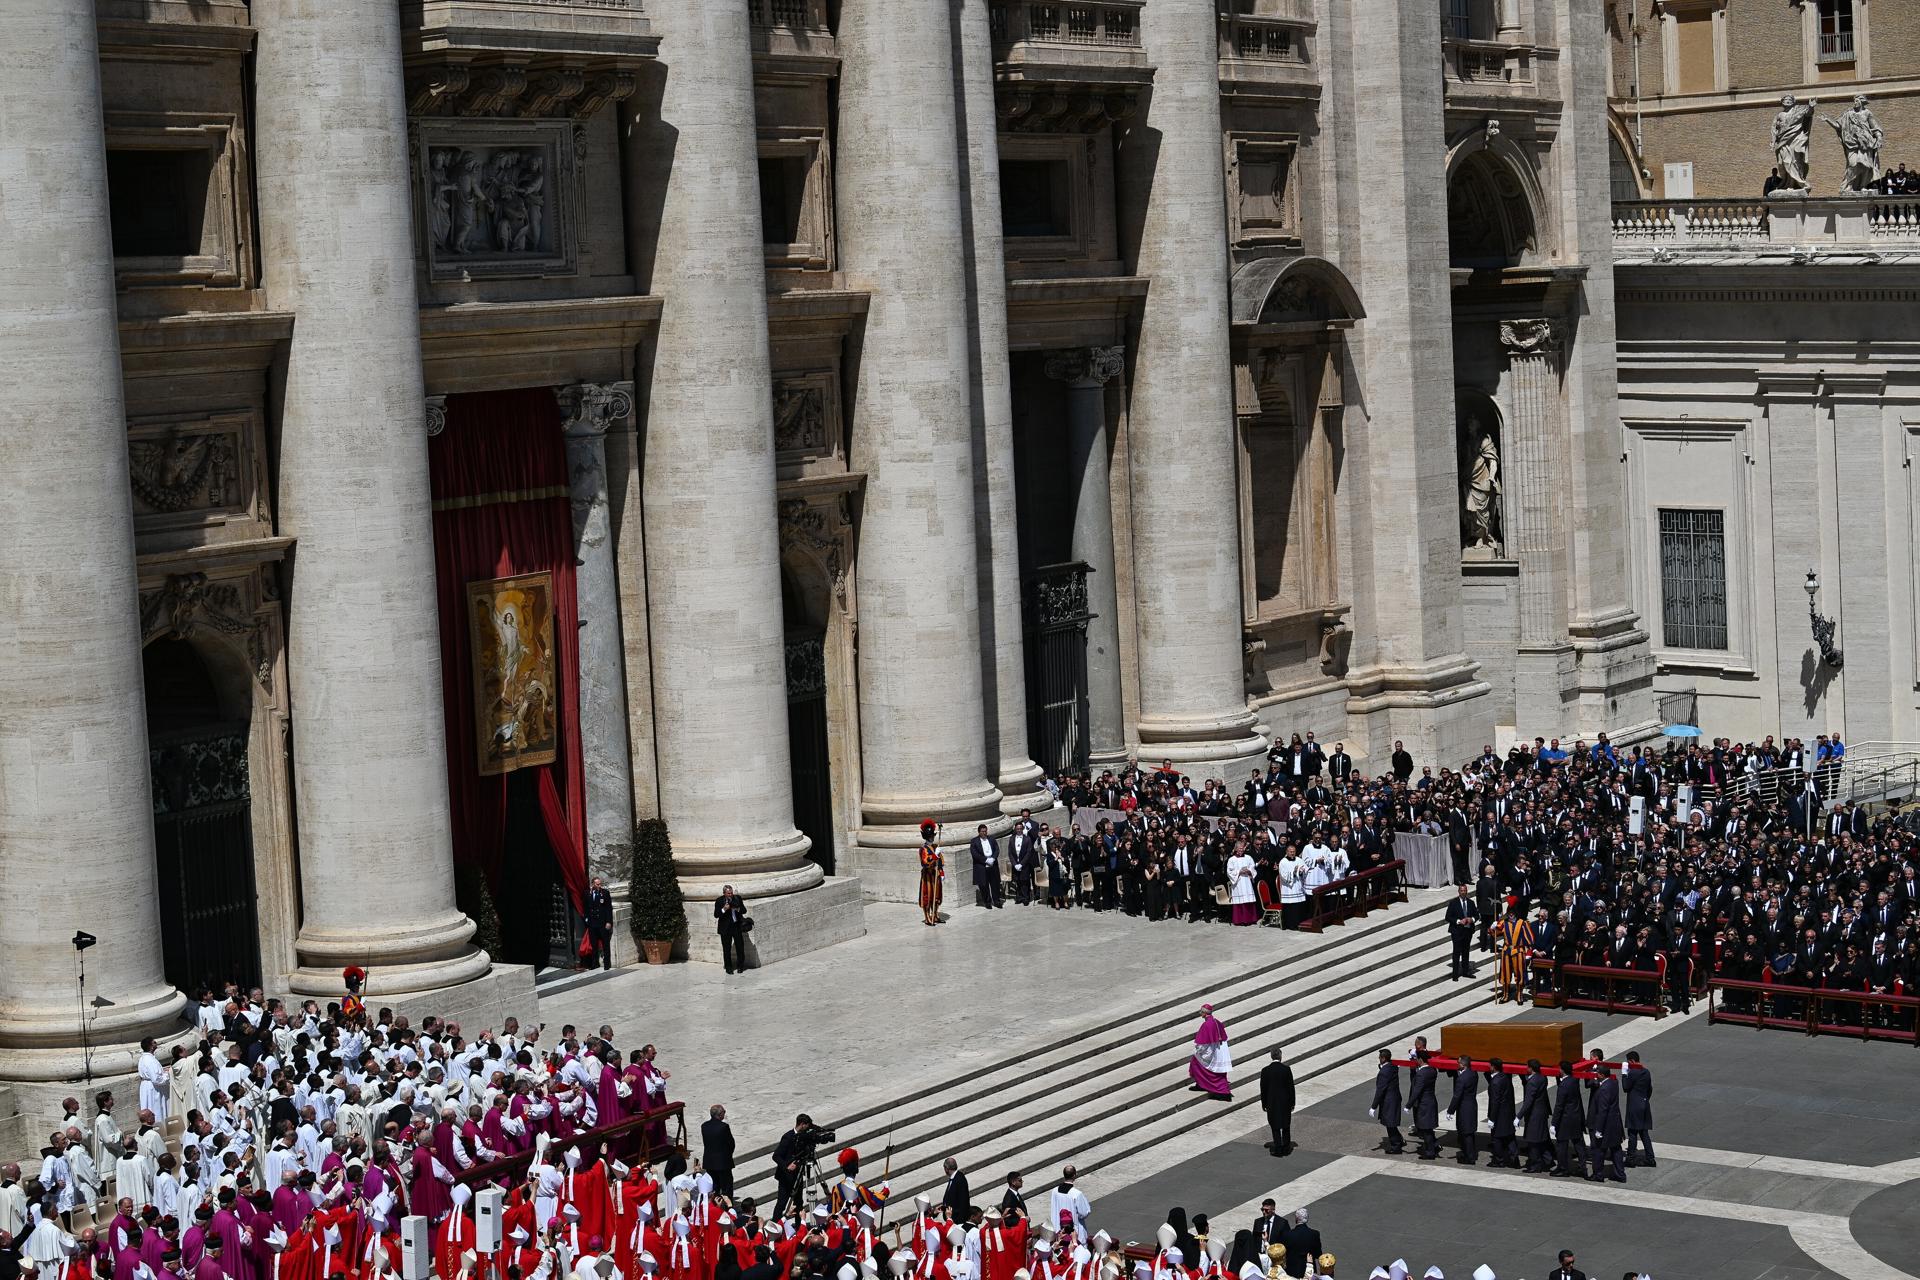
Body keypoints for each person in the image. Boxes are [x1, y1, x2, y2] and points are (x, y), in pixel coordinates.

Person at [1586, 1066, 1626, 1183]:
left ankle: (1598, 1174)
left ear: (1602, 1075)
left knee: (1598, 1150)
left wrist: (1598, 1129)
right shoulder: (1614, 1083)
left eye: (1597, 1074)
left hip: (1605, 1125)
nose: (1596, 1075)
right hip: (1614, 1124)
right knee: (1616, 1149)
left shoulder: (1604, 1089)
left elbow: (1602, 1110)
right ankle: (1620, 1174)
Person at [769, 1115, 814, 1220]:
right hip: (786, 1177)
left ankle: (799, 1227)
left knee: (798, 1203)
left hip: (797, 1175)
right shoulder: (788, 1137)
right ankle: (775, 1225)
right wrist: (787, 1166)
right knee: (782, 1203)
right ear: (802, 1124)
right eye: (807, 1126)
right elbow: (776, 1156)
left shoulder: (804, 1137)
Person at [1491, 901, 1534, 1004]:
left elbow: (1530, 939)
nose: (1511, 914)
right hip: (1506, 951)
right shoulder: (1503, 923)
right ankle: (1505, 995)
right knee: (1505, 974)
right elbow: (1495, 934)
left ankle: (1519, 995)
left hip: (1518, 951)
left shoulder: (1522, 923)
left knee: (1519, 974)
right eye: (1509, 912)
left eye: (1513, 912)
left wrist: (1528, 953)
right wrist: (1493, 927)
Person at [1187, 1006, 1232, 1101]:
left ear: (1204, 1013)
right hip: (1218, 1049)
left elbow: (1203, 1043)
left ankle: (1224, 1094)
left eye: (1201, 1012)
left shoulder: (1207, 1025)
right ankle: (1201, 1084)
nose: (1200, 1013)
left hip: (1211, 1050)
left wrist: (1197, 1050)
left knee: (1196, 1063)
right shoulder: (1216, 1021)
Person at [1551, 1061, 1586, 1178]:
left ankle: (1563, 1168)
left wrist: (1553, 1123)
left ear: (1562, 1070)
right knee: (1578, 1144)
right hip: (1575, 1117)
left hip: (1565, 1120)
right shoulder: (1574, 1081)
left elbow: (1559, 1105)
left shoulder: (1564, 1085)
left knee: (1561, 1145)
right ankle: (1582, 1166)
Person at [1621, 1052, 1655, 1168]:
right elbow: (1650, 1089)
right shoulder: (1646, 1072)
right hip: (1644, 1104)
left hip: (1634, 1106)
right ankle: (1650, 1158)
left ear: (1631, 1061)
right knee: (1644, 1133)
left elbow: (1625, 1087)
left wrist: (1624, 1074)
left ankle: (1630, 1158)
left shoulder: (1633, 1073)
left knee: (1632, 1133)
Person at [1258, 1049, 1295, 1157]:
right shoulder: (1286, 1069)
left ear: (1271, 1057)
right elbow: (1290, 1088)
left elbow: (1263, 1089)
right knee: (1285, 1125)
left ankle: (1278, 1148)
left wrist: (1264, 1104)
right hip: (1285, 1102)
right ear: (1280, 1056)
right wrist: (1292, 1103)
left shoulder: (1265, 1071)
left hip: (1272, 1103)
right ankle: (1286, 1147)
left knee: (1275, 1126)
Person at [1518, 1060, 1552, 1173]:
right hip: (1541, 1112)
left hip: (1534, 1115)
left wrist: (1518, 1116)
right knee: (1541, 1139)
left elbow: (1528, 1101)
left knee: (1533, 1140)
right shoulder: (1542, 1078)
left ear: (1531, 1068)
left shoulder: (1532, 1082)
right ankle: (1548, 1160)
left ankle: (1535, 1165)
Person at [1369, 1049, 1404, 1155]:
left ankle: (1396, 1146)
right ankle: (1399, 1140)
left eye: (1380, 1057)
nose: (1379, 1059)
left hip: (1389, 1101)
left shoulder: (1384, 1072)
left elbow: (1380, 1090)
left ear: (1383, 1058)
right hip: (1394, 1099)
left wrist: (1373, 1106)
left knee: (1390, 1124)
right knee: (1391, 1123)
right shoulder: (1392, 1067)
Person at [1446, 1058, 1480, 1166]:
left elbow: (1457, 1096)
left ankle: (1469, 1158)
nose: (1457, 1065)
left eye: (1459, 1063)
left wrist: (1450, 1111)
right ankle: (1471, 1154)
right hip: (1471, 1106)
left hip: (1464, 1108)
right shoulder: (1474, 1074)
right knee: (1470, 1133)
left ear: (1463, 1065)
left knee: (1466, 1134)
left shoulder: (1462, 1079)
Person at [1408, 1052, 1440, 1160]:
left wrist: (1408, 1105)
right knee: (1428, 1129)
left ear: (1421, 1059)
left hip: (1424, 1104)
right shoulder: (1432, 1070)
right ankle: (1434, 1147)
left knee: (1426, 1130)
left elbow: (1417, 1090)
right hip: (1431, 1102)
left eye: (1417, 1059)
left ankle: (1430, 1152)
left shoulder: (1422, 1073)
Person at [714, 886, 751, 974]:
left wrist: (737, 908)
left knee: (740, 947)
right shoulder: (719, 901)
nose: (730, 895)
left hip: (736, 926)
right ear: (724, 893)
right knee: (726, 949)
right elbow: (716, 915)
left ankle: (740, 966)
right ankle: (728, 967)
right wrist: (724, 909)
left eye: (731, 893)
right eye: (728, 893)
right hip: (725, 928)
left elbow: (744, 910)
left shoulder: (737, 898)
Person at [1445, 886, 1479, 981]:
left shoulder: (1471, 903)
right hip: (1457, 931)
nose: (1463, 892)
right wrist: (1459, 921)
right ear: (1459, 891)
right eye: (1461, 891)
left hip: (1468, 931)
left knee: (1466, 951)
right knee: (1456, 952)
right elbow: (1448, 917)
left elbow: (1476, 915)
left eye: (1465, 891)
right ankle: (1455, 974)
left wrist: (1471, 919)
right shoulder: (1453, 903)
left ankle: (1465, 971)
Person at [700, 1105, 735, 1198]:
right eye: (724, 1112)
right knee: (726, 1187)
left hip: (709, 1162)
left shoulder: (704, 1126)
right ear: (720, 1115)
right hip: (723, 1162)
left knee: (714, 1187)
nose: (725, 1113)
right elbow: (731, 1144)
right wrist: (727, 1155)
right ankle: (727, 1207)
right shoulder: (724, 1127)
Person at [1278, 1210, 1320, 1280]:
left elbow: (1283, 1253)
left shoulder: (1288, 1234)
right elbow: (1318, 1254)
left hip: (1292, 1270)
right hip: (1309, 1268)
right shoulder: (1315, 1234)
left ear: (1296, 1219)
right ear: (1307, 1219)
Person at [584, 876, 615, 971]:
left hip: (602, 922)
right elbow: (586, 907)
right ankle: (594, 963)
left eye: (600, 884)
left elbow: (608, 908)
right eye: (597, 884)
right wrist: (587, 919)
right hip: (592, 923)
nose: (599, 885)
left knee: (605, 944)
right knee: (594, 944)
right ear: (593, 884)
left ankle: (607, 964)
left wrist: (609, 921)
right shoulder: (588, 894)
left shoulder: (605, 893)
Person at [970, 825, 1004, 910]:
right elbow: (975, 854)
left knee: (995, 884)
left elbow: (997, 849)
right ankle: (987, 902)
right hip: (982, 866)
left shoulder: (991, 839)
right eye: (982, 831)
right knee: (984, 885)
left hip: (992, 864)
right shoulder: (974, 841)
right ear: (979, 832)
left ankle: (996, 901)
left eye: (985, 831)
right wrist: (985, 860)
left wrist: (993, 858)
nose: (984, 833)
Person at [1226, 846, 1259, 927]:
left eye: (1242, 848)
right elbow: (1229, 871)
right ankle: (1239, 920)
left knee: (1249, 900)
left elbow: (1253, 867)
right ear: (1236, 849)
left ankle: (1250, 919)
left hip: (1247, 881)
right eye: (1239, 848)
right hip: (1238, 883)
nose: (1241, 850)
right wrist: (1239, 871)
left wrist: (1249, 871)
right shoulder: (1232, 859)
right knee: (1239, 901)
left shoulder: (1248, 857)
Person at [939, 1158, 971, 1225]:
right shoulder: (954, 1178)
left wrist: (960, 1223)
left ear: (946, 1168)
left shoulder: (960, 1179)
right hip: (952, 1219)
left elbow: (964, 1202)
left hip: (957, 1220)